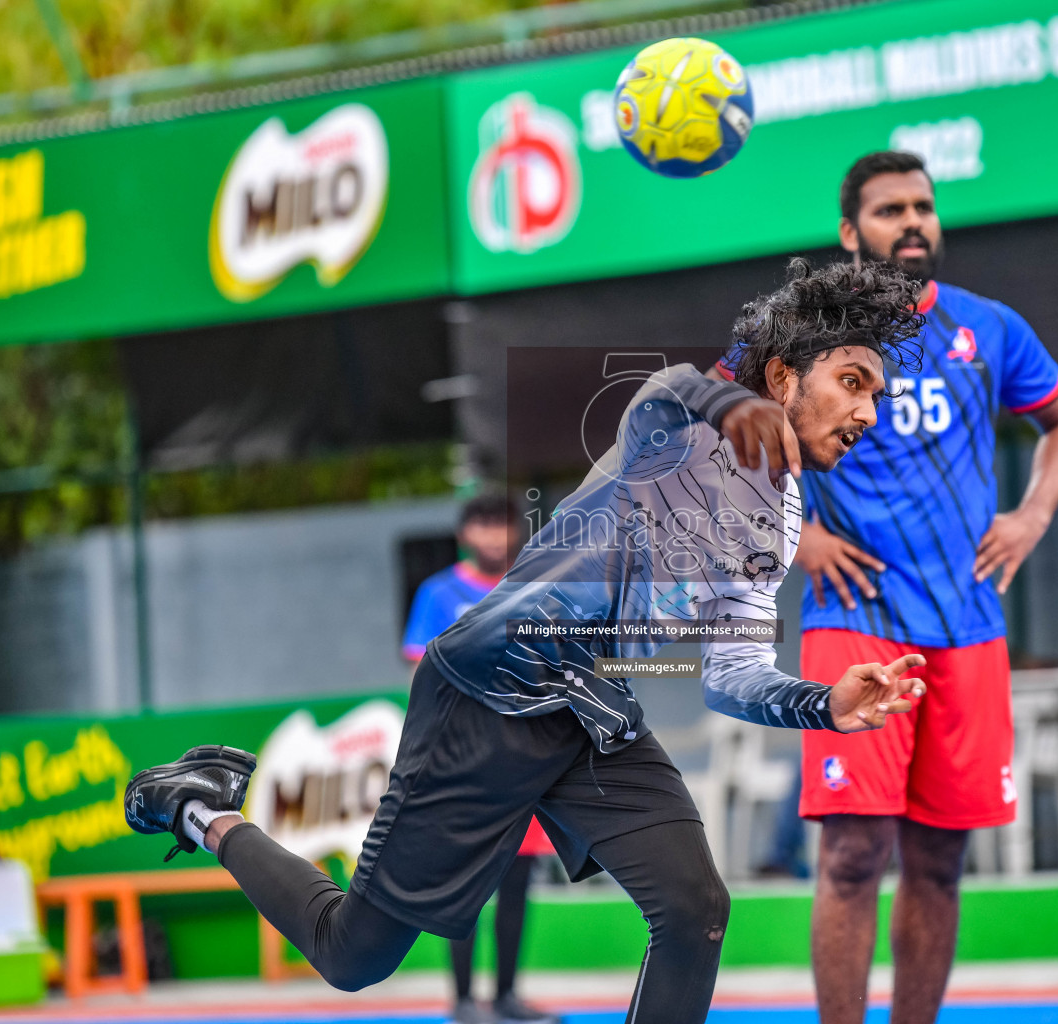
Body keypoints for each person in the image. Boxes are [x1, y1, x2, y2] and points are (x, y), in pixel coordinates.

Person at [124, 257, 931, 1024]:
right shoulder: (680, 434)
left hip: (589, 705)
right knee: (353, 955)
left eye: (876, 393)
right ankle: (197, 806)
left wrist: (823, 702)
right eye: (852, 383)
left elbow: (730, 673)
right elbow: (661, 391)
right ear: (785, 377)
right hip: (486, 693)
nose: (867, 410)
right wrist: (724, 401)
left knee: (695, 907)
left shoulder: (780, 521)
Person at [717, 151, 1058, 1024]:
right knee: (852, 855)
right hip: (855, 622)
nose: (914, 221)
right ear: (850, 234)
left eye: (924, 206)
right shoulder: (798, 332)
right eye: (891, 209)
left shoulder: (990, 328)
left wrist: (1032, 516)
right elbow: (714, 436)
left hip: (968, 625)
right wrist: (797, 536)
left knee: (939, 864)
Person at [402, 493, 558, 1024]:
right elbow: (420, 678)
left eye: (502, 526)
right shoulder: (437, 593)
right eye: (483, 525)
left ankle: (508, 995)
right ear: (466, 533)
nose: (494, 536)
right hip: (464, 764)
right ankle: (465, 1001)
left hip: (526, 760)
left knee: (517, 883)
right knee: (464, 884)